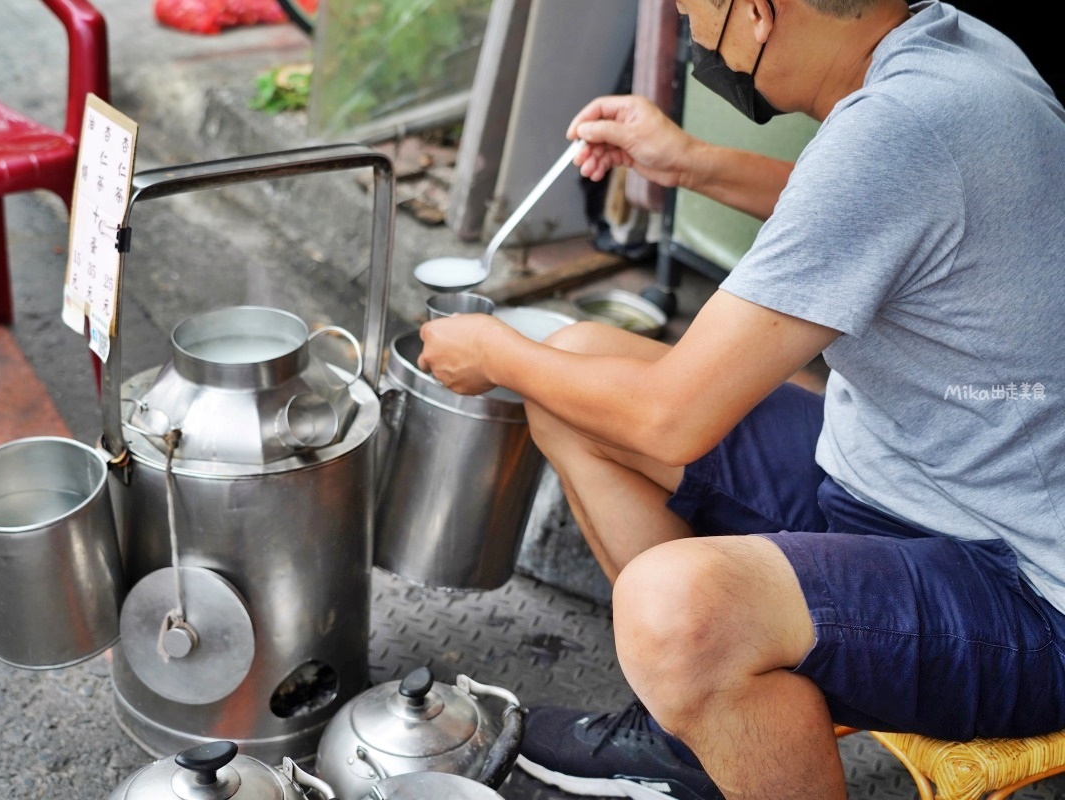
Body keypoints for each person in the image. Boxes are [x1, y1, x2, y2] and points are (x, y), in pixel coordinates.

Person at [416, 0, 1065, 798]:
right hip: (902, 485)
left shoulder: (900, 130)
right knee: (574, 371)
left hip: (1024, 591)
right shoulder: (951, 51)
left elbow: (671, 417)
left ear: (755, 13)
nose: (698, 43)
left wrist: (490, 351)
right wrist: (685, 160)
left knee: (672, 610)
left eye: (696, 17)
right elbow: (851, 208)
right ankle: (699, 730)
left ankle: (697, 668)